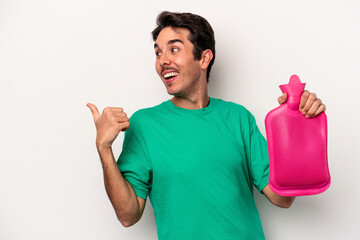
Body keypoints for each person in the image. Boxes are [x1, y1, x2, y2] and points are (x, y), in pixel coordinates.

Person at [87, 11, 326, 240]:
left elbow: (282, 198)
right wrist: (104, 148)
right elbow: (128, 215)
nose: (163, 61)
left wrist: (297, 128)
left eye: (174, 49)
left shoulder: (238, 117)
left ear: (204, 58)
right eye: (158, 53)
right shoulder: (144, 125)